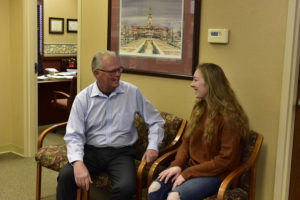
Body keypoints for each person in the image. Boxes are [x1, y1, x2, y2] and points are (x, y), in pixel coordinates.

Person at [56, 50, 165, 200]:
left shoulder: (131, 92)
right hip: (91, 152)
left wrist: (153, 145)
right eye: (112, 71)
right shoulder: (83, 99)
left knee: (126, 187)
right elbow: (74, 134)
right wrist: (77, 162)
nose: (118, 74)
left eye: (119, 69)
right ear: (97, 73)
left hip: (121, 153)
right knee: (66, 177)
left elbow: (156, 121)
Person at [148, 63, 249, 200]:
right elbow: (186, 142)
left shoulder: (229, 117)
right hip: (191, 168)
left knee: (174, 197)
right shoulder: (199, 108)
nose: (191, 84)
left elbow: (226, 160)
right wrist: (177, 165)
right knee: (155, 189)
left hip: (216, 175)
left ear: (210, 83)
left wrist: (187, 173)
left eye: (196, 80)